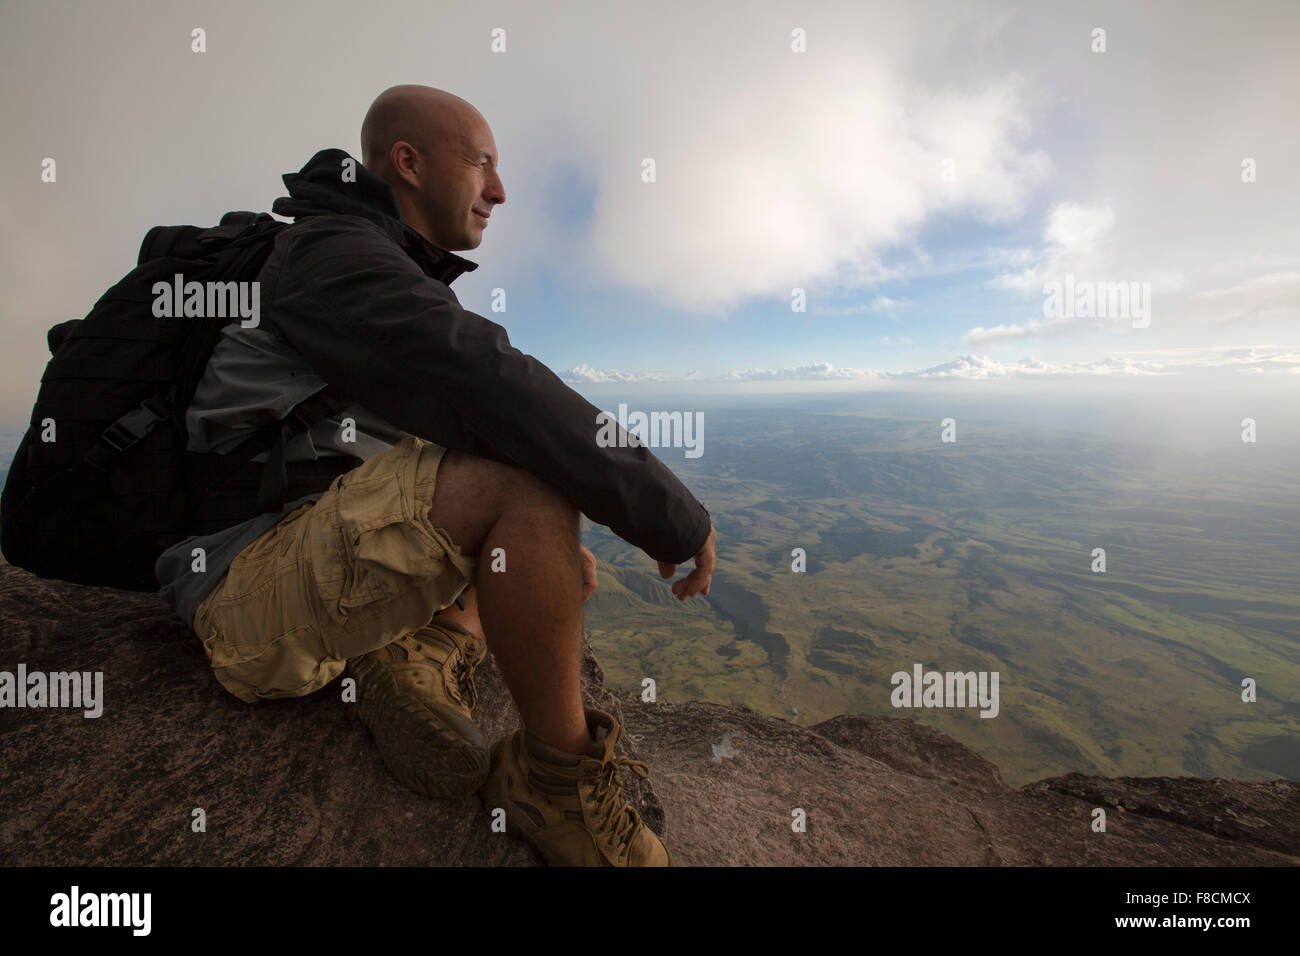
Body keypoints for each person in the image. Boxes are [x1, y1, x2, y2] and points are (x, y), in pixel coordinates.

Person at [153, 85, 717, 867]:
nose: (500, 189)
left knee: (545, 557)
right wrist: (668, 514)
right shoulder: (335, 257)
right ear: (408, 163)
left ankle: (421, 649)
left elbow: (398, 439)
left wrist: (532, 559)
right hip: (244, 588)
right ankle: (553, 785)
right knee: (531, 485)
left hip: (307, 544)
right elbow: (489, 380)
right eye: (482, 161)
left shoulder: (366, 260)